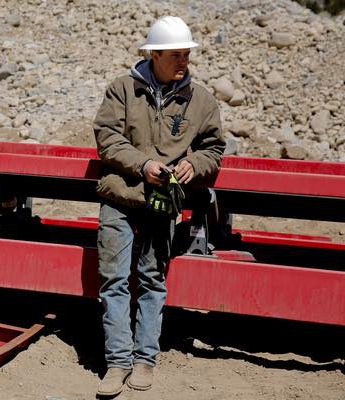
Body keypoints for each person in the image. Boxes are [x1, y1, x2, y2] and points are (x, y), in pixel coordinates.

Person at [93, 16, 225, 397]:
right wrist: (142, 165)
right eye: (176, 55)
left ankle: (145, 360)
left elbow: (214, 148)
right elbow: (107, 138)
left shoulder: (201, 100)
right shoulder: (122, 90)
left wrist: (194, 164)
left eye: (187, 55)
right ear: (154, 54)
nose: (184, 62)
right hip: (120, 195)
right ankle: (117, 363)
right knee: (114, 280)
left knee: (152, 281)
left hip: (164, 202)